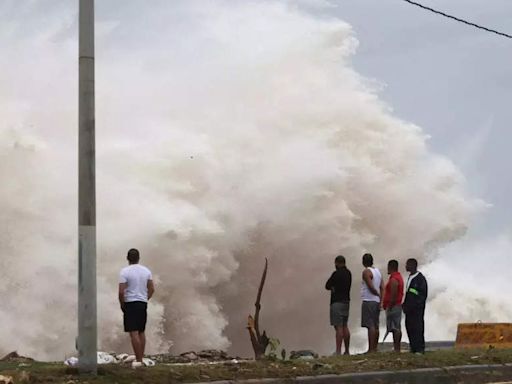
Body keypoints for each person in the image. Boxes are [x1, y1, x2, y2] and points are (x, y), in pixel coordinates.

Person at [119, 248, 155, 368]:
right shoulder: (146, 271)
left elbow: (121, 291)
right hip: (142, 303)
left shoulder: (125, 272)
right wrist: (145, 298)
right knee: (141, 331)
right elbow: (151, 289)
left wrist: (122, 304)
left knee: (133, 332)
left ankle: (139, 360)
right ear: (139, 258)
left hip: (130, 303)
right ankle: (140, 357)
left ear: (127, 258)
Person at [325, 255, 352, 355]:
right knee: (345, 326)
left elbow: (327, 285)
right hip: (346, 301)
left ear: (337, 263)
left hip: (337, 302)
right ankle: (347, 350)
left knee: (338, 327)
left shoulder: (336, 274)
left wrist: (333, 287)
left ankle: (338, 351)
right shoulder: (349, 273)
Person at [402, 258, 428, 354]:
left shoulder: (420, 279)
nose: (406, 266)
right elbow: (409, 293)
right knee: (410, 327)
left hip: (416, 310)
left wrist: (415, 306)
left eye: (407, 264)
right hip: (409, 309)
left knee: (417, 328)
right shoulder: (410, 277)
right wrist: (405, 304)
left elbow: (421, 295)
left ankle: (419, 349)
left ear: (413, 266)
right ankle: (413, 347)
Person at [361, 253, 384, 353]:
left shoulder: (366, 272)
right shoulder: (378, 271)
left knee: (370, 325)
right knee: (376, 324)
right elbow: (382, 287)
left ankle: (371, 349)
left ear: (363, 262)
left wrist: (377, 294)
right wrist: (381, 300)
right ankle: (375, 348)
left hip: (369, 300)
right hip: (376, 301)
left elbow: (370, 286)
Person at [382, 260, 404, 352]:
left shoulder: (394, 279)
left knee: (395, 328)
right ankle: (396, 348)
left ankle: (396, 348)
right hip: (396, 305)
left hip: (394, 306)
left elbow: (394, 293)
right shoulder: (398, 277)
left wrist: (390, 305)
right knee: (396, 327)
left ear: (390, 267)